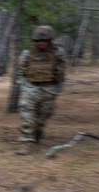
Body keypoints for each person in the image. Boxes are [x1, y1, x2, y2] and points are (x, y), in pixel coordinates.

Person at [16, 25, 66, 154]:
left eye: (43, 41)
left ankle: (37, 133)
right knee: (27, 115)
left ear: (49, 41)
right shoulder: (27, 53)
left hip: (49, 89)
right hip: (30, 88)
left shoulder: (58, 53)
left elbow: (62, 73)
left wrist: (55, 90)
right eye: (38, 41)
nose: (41, 43)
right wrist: (25, 89)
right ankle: (26, 142)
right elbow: (20, 72)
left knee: (42, 117)